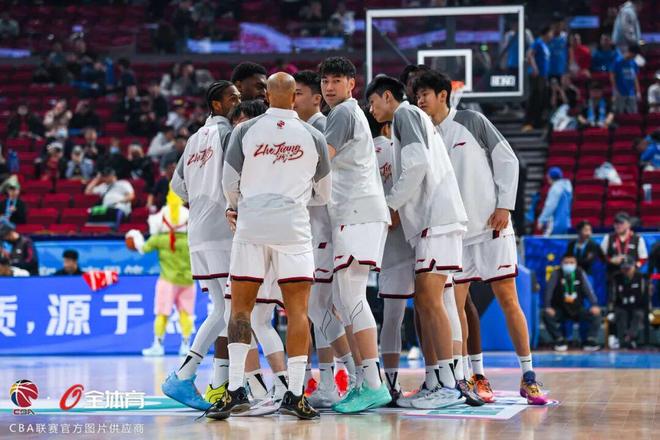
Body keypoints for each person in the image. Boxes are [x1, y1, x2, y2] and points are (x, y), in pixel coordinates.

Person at [415, 70, 549, 405]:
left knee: (509, 300)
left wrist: (505, 205)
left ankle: (529, 375)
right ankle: (472, 375)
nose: (419, 100)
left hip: (492, 227)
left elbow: (508, 159)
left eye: (425, 94)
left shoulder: (472, 121)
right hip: (456, 234)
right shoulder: (424, 135)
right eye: (417, 96)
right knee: (456, 307)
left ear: (443, 95)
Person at [206, 72, 331, 421]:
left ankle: (234, 390)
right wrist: (296, 199)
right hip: (293, 229)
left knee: (240, 310)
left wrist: (239, 205)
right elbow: (324, 193)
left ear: (267, 97)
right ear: (293, 97)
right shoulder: (314, 135)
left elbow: (228, 182)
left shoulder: (244, 131)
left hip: (252, 226)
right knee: (298, 312)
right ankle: (295, 394)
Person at [368, 74, 481, 408]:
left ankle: (447, 384)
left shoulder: (405, 114)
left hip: (436, 219)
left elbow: (416, 164)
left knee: (432, 303)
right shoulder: (416, 118)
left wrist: (391, 206)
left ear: (387, 97)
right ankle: (438, 380)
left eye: (373, 102)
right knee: (429, 303)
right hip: (436, 221)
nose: (372, 110)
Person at [318, 57, 393, 413]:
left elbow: (319, 162)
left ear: (352, 84)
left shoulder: (344, 113)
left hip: (357, 213)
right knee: (346, 300)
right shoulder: (347, 114)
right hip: (355, 213)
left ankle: (374, 384)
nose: (329, 87)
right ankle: (364, 380)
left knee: (353, 297)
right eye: (325, 81)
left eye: (337, 80)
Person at [162, 80, 240, 412]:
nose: (238, 101)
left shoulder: (194, 139)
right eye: (233, 97)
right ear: (217, 104)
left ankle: (197, 378)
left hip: (198, 231)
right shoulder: (229, 133)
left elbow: (177, 185)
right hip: (223, 229)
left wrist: (201, 198)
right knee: (232, 310)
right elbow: (236, 178)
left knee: (221, 309)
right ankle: (194, 376)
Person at [291, 69, 356, 409]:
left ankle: (355, 375)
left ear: (316, 98)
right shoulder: (311, 127)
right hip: (317, 231)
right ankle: (330, 381)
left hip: (323, 230)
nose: (292, 100)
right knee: (321, 309)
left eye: (298, 94)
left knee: (320, 308)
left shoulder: (319, 129)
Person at [127, 189, 195, 357]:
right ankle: (186, 345)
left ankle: (157, 345)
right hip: (188, 280)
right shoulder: (190, 239)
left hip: (167, 281)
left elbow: (142, 248)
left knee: (162, 313)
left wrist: (135, 236)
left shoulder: (159, 239)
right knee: (186, 313)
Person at [543, 255, 601, 351]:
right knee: (546, 314)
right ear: (561, 264)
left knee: (596, 314)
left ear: (576, 264)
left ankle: (590, 340)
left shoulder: (580, 273)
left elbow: (589, 291)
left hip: (577, 309)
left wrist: (594, 305)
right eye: (566, 263)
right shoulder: (556, 273)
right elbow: (549, 291)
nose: (569, 265)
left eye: (572, 262)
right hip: (560, 309)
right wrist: (547, 306)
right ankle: (559, 340)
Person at [608, 256, 647, 348]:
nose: (626, 271)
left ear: (634, 267)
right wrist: (611, 310)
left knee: (638, 314)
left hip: (637, 306)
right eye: (624, 268)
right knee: (620, 313)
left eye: (628, 268)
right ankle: (623, 339)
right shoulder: (616, 277)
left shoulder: (640, 277)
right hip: (621, 306)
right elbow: (612, 296)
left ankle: (630, 337)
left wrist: (648, 310)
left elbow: (645, 296)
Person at [523, 26, 553, 131]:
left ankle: (537, 122)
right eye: (550, 33)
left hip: (543, 76)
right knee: (535, 98)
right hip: (537, 76)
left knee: (541, 99)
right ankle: (528, 122)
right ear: (546, 33)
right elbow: (529, 54)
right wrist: (534, 67)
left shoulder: (545, 45)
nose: (551, 36)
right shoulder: (538, 42)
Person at [600, 212, 648, 278]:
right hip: (613, 274)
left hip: (632, 275)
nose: (618, 226)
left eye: (621, 223)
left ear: (628, 224)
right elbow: (601, 256)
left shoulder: (638, 239)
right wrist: (611, 260)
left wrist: (635, 266)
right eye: (616, 223)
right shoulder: (608, 238)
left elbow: (643, 258)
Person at [538, 167, 573, 235]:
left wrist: (542, 220)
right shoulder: (567, 187)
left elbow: (550, 206)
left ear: (550, 177)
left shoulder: (555, 188)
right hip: (566, 222)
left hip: (555, 223)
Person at [611, 44, 642, 114]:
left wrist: (638, 91)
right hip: (620, 92)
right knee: (619, 113)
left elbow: (635, 78)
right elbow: (612, 76)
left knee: (633, 114)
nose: (636, 56)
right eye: (635, 54)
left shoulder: (633, 63)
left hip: (631, 93)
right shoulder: (618, 61)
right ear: (631, 52)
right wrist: (615, 90)